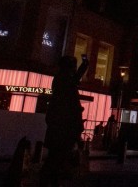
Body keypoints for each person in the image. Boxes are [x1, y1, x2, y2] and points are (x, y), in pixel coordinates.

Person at [40, 54, 89, 186]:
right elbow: (73, 107)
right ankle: (49, 181)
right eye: (73, 66)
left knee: (55, 159)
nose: (74, 69)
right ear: (69, 67)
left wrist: (84, 65)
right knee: (57, 159)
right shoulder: (66, 82)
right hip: (64, 129)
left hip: (59, 128)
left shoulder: (60, 80)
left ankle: (49, 180)